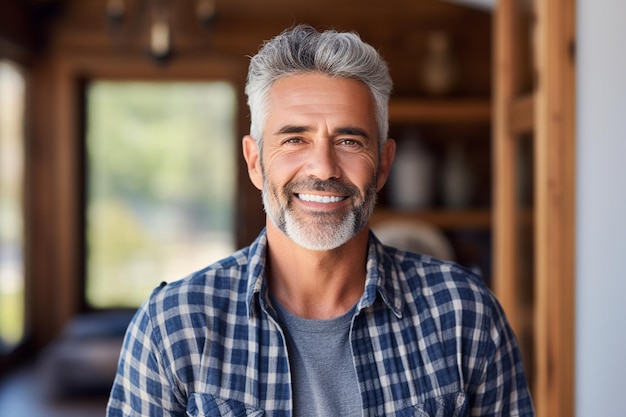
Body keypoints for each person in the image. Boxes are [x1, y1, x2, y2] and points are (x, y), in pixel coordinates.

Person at [106, 25, 534, 416]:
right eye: (295, 139)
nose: (324, 168)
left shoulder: (465, 315)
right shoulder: (172, 327)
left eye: (349, 140)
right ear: (255, 162)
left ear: (384, 165)